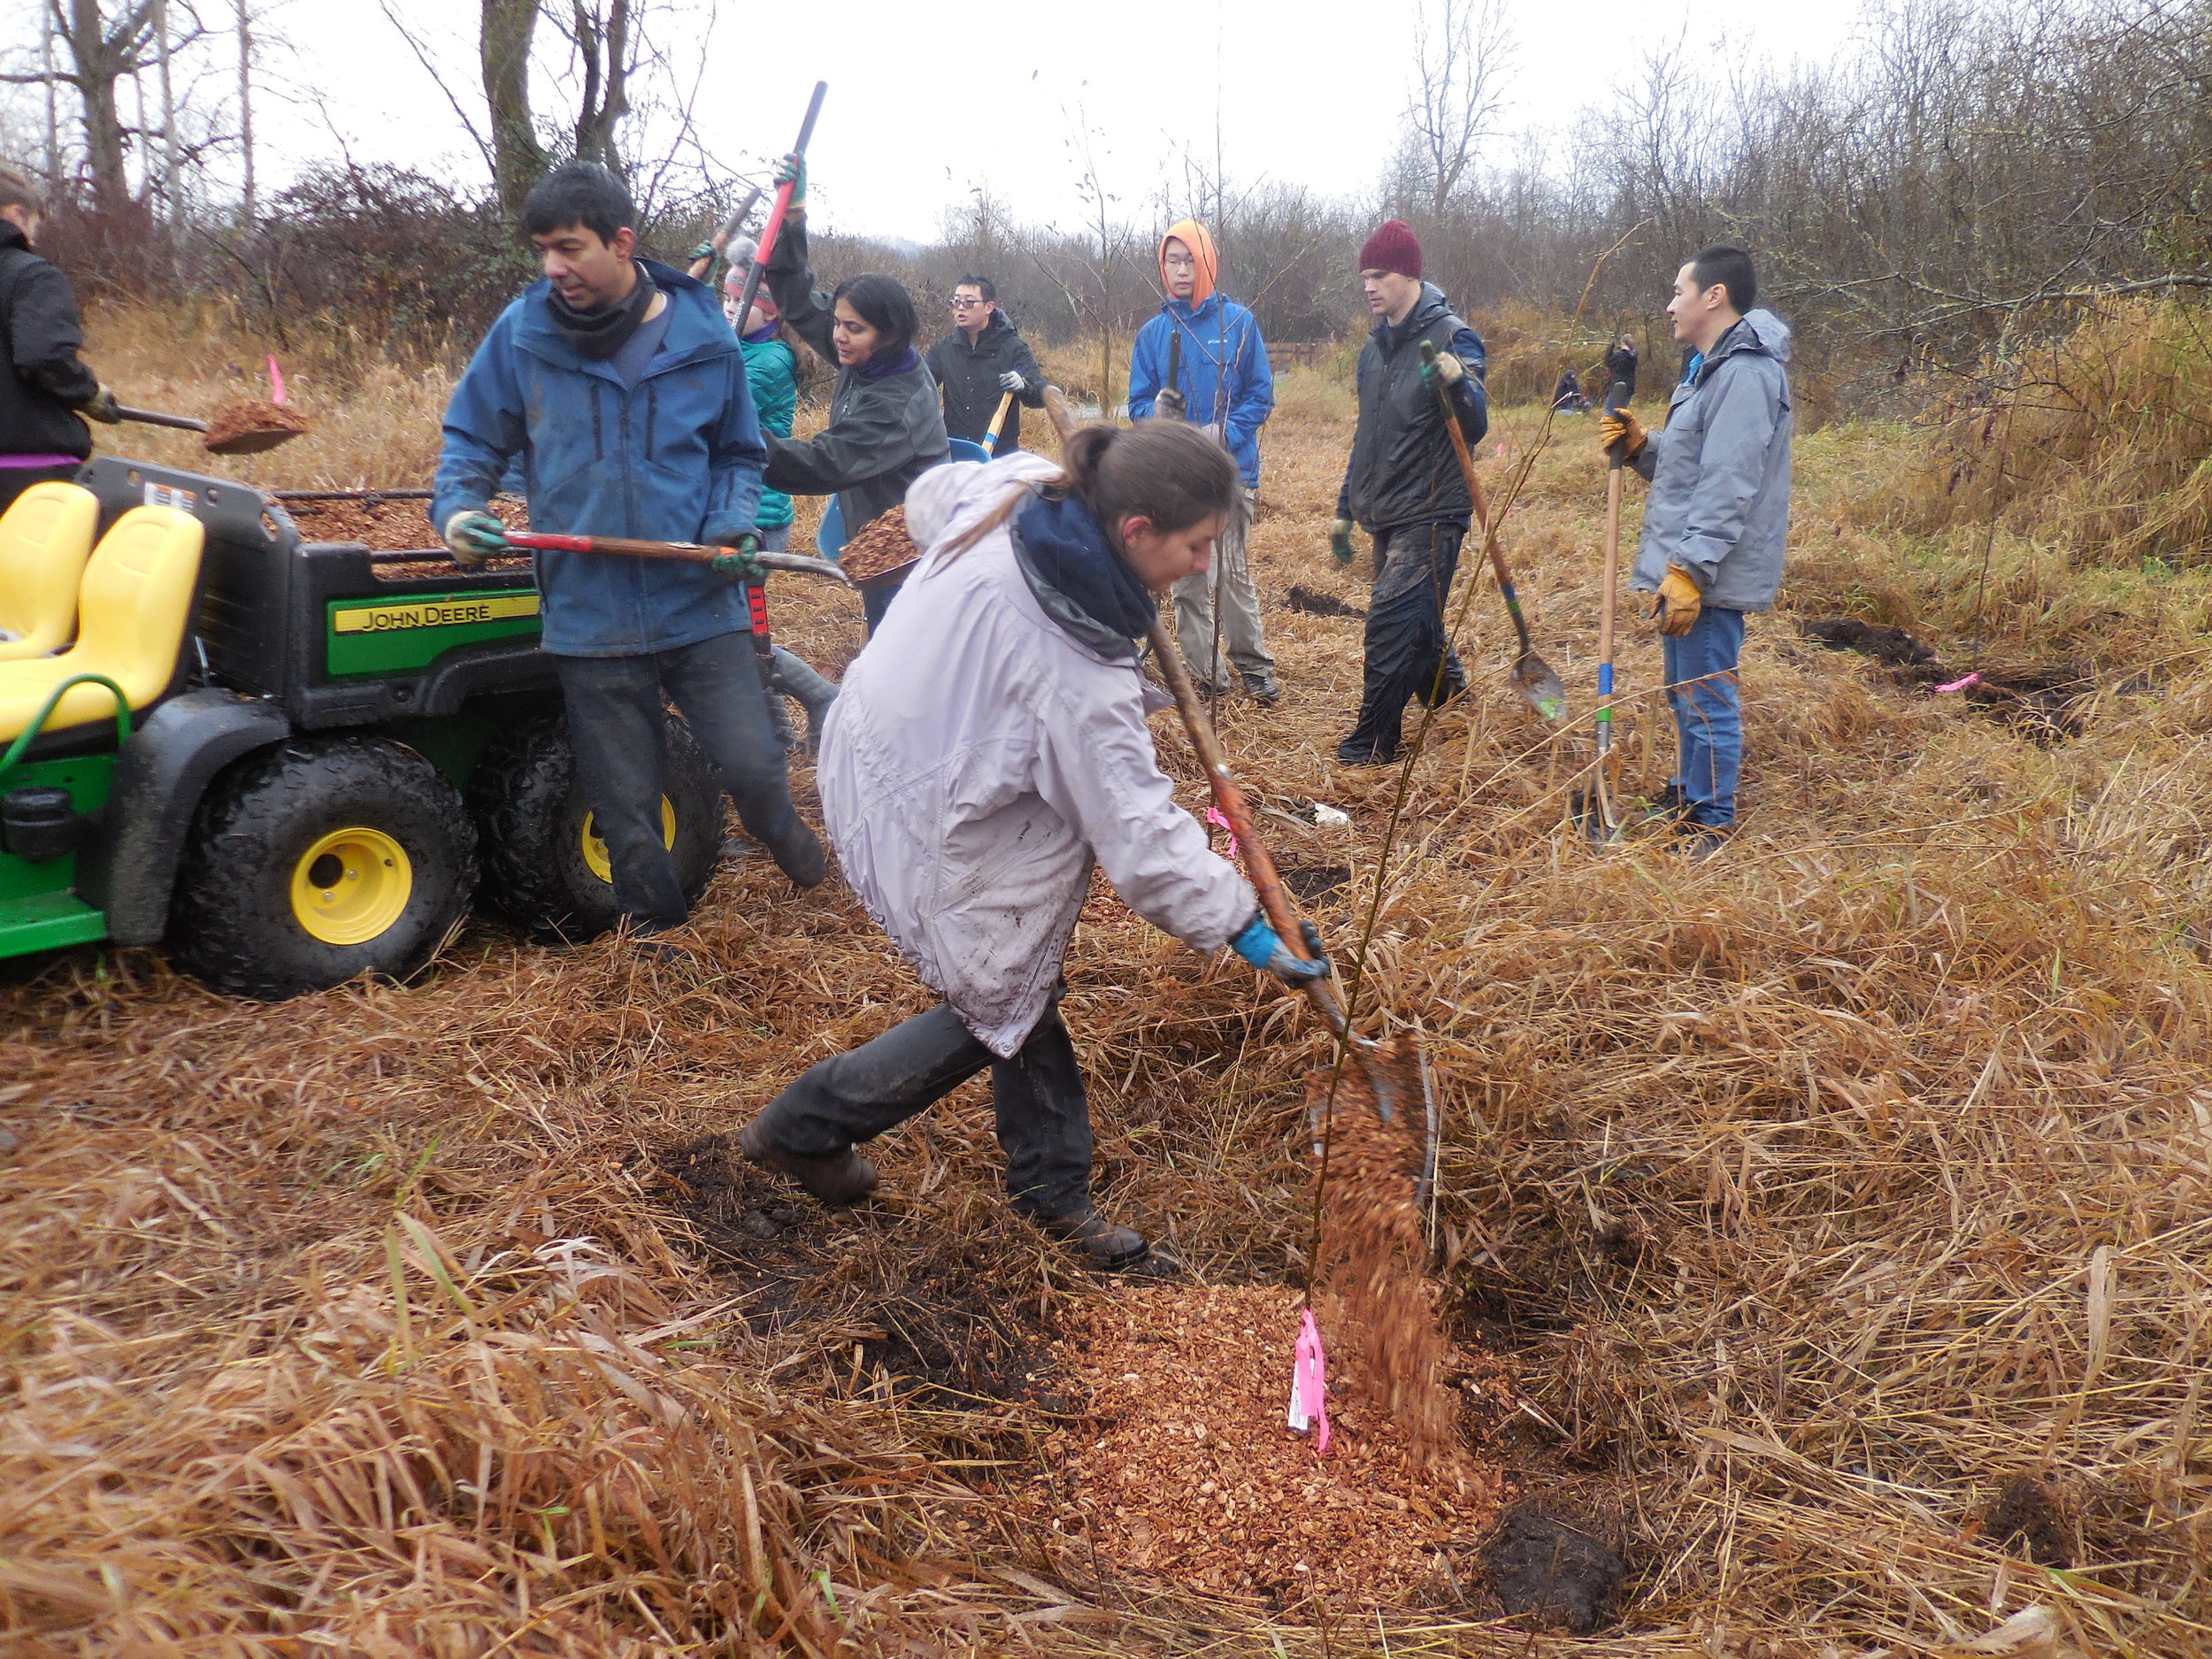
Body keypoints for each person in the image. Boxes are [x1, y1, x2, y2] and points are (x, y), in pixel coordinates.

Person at [734, 423, 1332, 1271]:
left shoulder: (1017, 487)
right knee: (1002, 998)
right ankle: (806, 1127)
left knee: (1019, 984)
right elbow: (1143, 838)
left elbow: (930, 499)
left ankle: (1048, 1185)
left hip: (881, 735)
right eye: (1196, 546)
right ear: (1134, 531)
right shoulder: (1076, 677)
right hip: (931, 815)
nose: (1204, 564)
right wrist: (1244, 923)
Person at [433, 161, 825, 940]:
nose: (554, 267)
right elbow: (471, 440)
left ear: (621, 242)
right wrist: (458, 509)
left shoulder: (701, 331)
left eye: (570, 248)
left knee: (752, 764)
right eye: (544, 249)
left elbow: (737, 453)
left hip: (697, 595)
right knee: (625, 796)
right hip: (590, 608)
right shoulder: (524, 333)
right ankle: (657, 931)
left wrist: (729, 525)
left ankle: (790, 841)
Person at [1597, 246, 1792, 857]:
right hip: (1690, 563)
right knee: (1683, 690)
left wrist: (1690, 569)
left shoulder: (1746, 373)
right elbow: (1690, 465)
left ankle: (1710, 821)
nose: (1669, 303)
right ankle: (1689, 791)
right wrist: (1640, 447)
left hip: (1708, 569)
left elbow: (1729, 481)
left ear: (1715, 297)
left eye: (1679, 291)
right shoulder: (1709, 367)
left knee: (1706, 693)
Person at [760, 155, 949, 632]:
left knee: (905, 655)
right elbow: (800, 299)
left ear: (889, 333)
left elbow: (824, 463)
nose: (838, 336)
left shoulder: (897, 404)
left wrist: (737, 438)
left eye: (853, 328)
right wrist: (793, 219)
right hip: (874, 541)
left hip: (912, 556)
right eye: (839, 323)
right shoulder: (863, 353)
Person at [1328, 220, 1489, 766]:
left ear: (1411, 275)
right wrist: (1345, 510)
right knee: (1419, 622)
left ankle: (1372, 743)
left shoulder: (1452, 338)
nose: (1369, 286)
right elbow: (1366, 436)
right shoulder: (1374, 351)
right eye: (1364, 277)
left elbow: (1478, 425)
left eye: (1380, 275)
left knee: (1392, 623)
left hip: (1433, 508)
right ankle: (1452, 697)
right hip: (1388, 509)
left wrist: (1460, 384)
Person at [1126, 219, 1280, 704]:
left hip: (1233, 474)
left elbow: (1261, 394)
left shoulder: (1239, 324)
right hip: (1176, 479)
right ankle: (1209, 674)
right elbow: (1136, 404)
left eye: (1190, 259)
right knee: (1190, 580)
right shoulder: (1154, 333)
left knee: (1232, 572)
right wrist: (1155, 415)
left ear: (1208, 262)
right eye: (1172, 260)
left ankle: (1253, 666)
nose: (1181, 269)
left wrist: (1225, 432)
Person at [722, 245, 839, 754]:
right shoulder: (743, 350)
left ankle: (820, 697)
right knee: (739, 635)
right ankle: (781, 737)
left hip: (757, 513)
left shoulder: (768, 361)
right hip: (732, 507)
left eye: (737, 300)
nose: (727, 308)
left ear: (768, 310)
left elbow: (712, 408)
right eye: (723, 298)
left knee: (738, 636)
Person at [0, 165, 120, 516]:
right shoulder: (31, 274)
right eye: (35, 224)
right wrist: (88, 393)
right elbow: (43, 357)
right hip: (28, 477)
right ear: (18, 214)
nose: (33, 239)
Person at [924, 275, 1043, 451]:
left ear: (989, 307)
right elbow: (920, 387)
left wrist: (1023, 385)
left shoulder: (1013, 347)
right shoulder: (944, 348)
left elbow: (1040, 396)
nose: (961, 308)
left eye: (969, 302)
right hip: (955, 450)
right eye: (956, 302)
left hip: (1000, 455)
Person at [1607, 333, 1640, 400]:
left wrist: (1610, 348)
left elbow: (1608, 362)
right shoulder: (1634, 356)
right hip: (1629, 387)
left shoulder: (1618, 356)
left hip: (1617, 387)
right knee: (1623, 409)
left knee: (1610, 409)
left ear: (1623, 343)